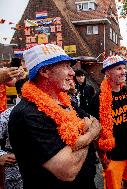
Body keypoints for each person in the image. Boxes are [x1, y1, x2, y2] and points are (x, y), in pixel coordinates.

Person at [8, 44, 101, 189]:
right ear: (44, 71)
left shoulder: (66, 101)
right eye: (66, 66)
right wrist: (89, 135)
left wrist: (79, 140)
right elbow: (68, 171)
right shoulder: (27, 114)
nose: (72, 73)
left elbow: (96, 123)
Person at [89, 55, 127, 189]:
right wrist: (101, 156)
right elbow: (95, 131)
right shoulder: (97, 99)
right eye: (119, 68)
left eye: (124, 68)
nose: (124, 71)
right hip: (113, 156)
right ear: (108, 72)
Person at [0, 78, 27, 189]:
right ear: (20, 95)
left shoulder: (46, 112)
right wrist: (0, 155)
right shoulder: (7, 115)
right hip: (15, 171)